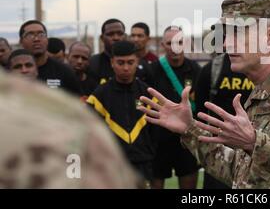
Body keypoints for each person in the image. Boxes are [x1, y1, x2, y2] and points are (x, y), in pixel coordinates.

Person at [138, 0, 270, 189]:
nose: (226, 43)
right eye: (226, 34)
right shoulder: (263, 93)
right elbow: (241, 173)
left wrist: (254, 143)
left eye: (238, 33)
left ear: (269, 36)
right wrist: (189, 129)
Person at [0, 68, 140, 188]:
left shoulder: (64, 111)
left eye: (28, 65)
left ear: (36, 70)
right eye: (18, 66)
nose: (24, 70)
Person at [86, 41, 158, 182]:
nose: (126, 68)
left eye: (130, 62)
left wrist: (149, 152)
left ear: (137, 61)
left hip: (142, 164)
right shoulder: (99, 95)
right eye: (120, 63)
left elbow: (156, 131)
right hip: (111, 164)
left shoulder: (148, 94)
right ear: (112, 62)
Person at [146, 25, 201, 189]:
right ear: (162, 45)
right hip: (158, 141)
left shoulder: (196, 70)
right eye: (169, 43)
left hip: (187, 140)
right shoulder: (151, 70)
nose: (174, 47)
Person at [194, 52, 254, 189]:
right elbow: (200, 111)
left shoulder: (259, 67)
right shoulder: (211, 69)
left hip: (253, 150)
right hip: (219, 151)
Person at [19, 20, 81, 96]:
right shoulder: (12, 72)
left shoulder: (65, 72)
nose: (36, 39)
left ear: (47, 40)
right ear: (21, 42)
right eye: (30, 35)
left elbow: (77, 104)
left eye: (41, 34)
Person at [90, 19, 153, 85]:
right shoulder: (93, 63)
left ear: (125, 36)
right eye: (110, 34)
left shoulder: (142, 66)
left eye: (120, 34)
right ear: (102, 38)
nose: (116, 38)